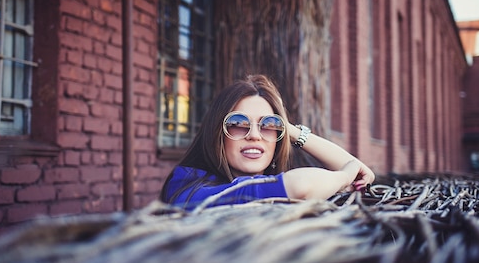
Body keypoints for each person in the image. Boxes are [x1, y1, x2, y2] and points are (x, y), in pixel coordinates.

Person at [160, 74, 375, 210]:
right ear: (217, 132)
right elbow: (300, 185)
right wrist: (345, 175)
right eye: (237, 123)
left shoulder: (273, 183)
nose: (254, 135)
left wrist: (288, 129)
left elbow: (364, 174)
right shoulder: (185, 187)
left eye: (268, 125)